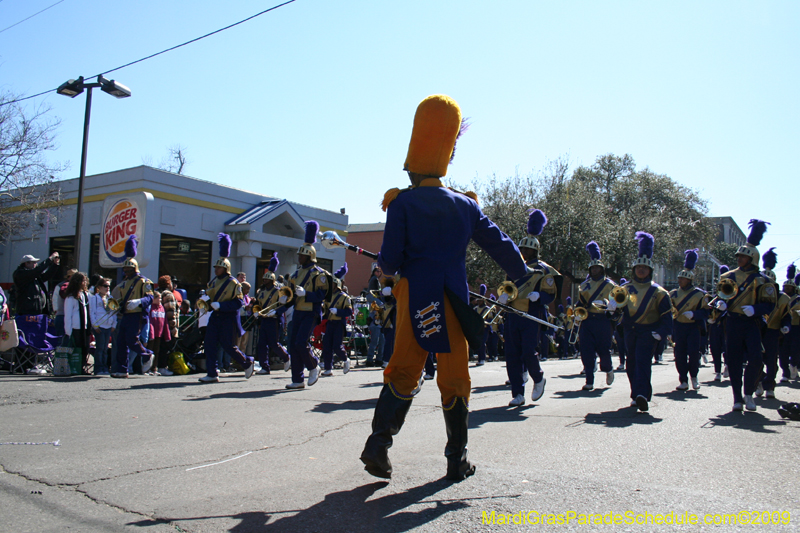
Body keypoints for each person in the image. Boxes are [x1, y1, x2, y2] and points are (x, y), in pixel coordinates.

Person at [360, 94, 527, 481]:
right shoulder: (465, 205)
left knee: (402, 369)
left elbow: (391, 259)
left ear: (412, 162)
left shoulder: (402, 204)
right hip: (453, 302)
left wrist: (386, 267)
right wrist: (522, 274)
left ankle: (378, 445)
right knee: (454, 377)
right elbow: (500, 243)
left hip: (416, 298)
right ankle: (456, 460)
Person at [714, 220, 776, 411]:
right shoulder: (728, 276)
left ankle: (749, 393)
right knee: (733, 360)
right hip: (732, 322)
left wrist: (756, 310)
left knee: (756, 359)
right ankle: (737, 398)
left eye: (743, 256)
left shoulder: (762, 279)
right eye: (739, 256)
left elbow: (770, 304)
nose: (739, 258)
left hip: (752, 324)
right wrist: (720, 304)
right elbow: (720, 296)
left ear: (752, 259)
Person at [501, 208, 560, 407]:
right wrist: (503, 297)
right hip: (512, 314)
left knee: (527, 350)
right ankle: (518, 393)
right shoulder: (513, 267)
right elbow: (509, 287)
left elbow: (551, 293)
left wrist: (539, 296)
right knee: (511, 354)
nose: (524, 253)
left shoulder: (543, 269)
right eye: (522, 250)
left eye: (527, 250)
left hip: (530, 314)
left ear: (534, 251)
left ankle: (538, 377)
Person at [619, 232, 673, 413]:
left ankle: (642, 395)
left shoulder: (660, 292)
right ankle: (636, 393)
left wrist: (661, 332)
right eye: (638, 267)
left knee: (643, 362)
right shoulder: (624, 289)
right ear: (634, 269)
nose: (641, 270)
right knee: (631, 363)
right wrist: (612, 308)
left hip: (648, 332)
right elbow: (617, 314)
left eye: (644, 267)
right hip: (629, 331)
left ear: (650, 270)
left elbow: (667, 317)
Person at [198, 233, 255, 383]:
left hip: (228, 318)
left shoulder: (234, 283)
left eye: (219, 267)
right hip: (215, 317)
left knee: (228, 346)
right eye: (216, 267)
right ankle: (212, 373)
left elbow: (239, 303)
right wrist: (206, 303)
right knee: (209, 345)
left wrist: (221, 305)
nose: (216, 270)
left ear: (226, 268)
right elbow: (210, 297)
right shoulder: (213, 281)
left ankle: (247, 363)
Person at [285, 221, 330, 389]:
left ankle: (313, 366)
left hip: (311, 311)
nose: (299, 258)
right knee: (293, 345)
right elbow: (290, 294)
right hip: (297, 311)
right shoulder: (296, 274)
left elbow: (323, 294)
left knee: (300, 342)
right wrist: (284, 301)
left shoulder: (319, 274)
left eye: (302, 256)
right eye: (299, 255)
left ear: (310, 256)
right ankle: (297, 379)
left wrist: (307, 294)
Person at [576, 241, 618, 391]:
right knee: (586, 350)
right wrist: (577, 313)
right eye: (592, 268)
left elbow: (616, 302)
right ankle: (589, 380)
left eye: (597, 268)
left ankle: (608, 369)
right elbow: (580, 302)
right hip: (588, 320)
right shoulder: (584, 285)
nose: (594, 270)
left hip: (602, 320)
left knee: (603, 350)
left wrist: (610, 305)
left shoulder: (610, 285)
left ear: (602, 269)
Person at [109, 236, 154, 378]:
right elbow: (120, 298)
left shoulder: (143, 281)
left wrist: (138, 301)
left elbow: (150, 297)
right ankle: (122, 370)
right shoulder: (124, 283)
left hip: (138, 313)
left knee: (131, 339)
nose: (126, 272)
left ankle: (146, 354)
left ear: (135, 269)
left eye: (129, 269)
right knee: (121, 341)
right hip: (126, 314)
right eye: (125, 269)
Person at [669, 249, 709, 391]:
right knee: (679, 354)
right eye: (679, 278)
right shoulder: (672, 294)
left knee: (693, 353)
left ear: (689, 280)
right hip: (678, 327)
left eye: (683, 279)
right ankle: (683, 380)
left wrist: (694, 314)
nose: (680, 281)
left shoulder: (699, 294)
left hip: (693, 327)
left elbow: (706, 311)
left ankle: (694, 376)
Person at [758, 252, 789, 399]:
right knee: (755, 360)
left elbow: (786, 315)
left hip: (772, 332)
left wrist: (786, 325)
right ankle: (758, 381)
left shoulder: (783, 298)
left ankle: (769, 385)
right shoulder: (755, 295)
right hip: (757, 331)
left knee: (771, 361)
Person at [254, 253, 291, 374]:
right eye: (264, 279)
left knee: (274, 344)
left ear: (272, 280)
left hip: (274, 319)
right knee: (261, 344)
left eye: (267, 279)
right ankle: (264, 366)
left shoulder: (278, 291)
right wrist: (256, 311)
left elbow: (285, 306)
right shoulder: (261, 291)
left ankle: (286, 357)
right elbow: (258, 303)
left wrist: (276, 311)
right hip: (264, 319)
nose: (264, 281)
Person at [321, 264, 353, 376]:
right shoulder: (327, 296)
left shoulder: (344, 297)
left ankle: (345, 359)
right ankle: (328, 368)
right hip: (330, 323)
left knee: (337, 346)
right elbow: (324, 311)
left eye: (333, 284)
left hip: (339, 323)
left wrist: (338, 312)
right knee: (326, 345)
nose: (331, 286)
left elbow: (349, 312)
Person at [13, 252, 60, 316]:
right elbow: (38, 270)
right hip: (26, 312)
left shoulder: (34, 275)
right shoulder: (20, 274)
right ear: (27, 263)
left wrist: (55, 264)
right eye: (34, 262)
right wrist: (50, 258)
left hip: (38, 311)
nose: (36, 264)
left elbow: (47, 276)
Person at [63, 271, 91, 374]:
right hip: (75, 327)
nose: (84, 282)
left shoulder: (85, 295)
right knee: (76, 349)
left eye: (85, 280)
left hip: (85, 327)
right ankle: (74, 368)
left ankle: (82, 367)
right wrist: (68, 331)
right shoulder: (71, 297)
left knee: (85, 348)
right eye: (82, 280)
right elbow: (68, 315)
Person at [89, 277, 116, 375]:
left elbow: (114, 312)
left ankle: (105, 368)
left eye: (109, 286)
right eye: (105, 286)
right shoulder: (94, 298)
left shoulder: (110, 298)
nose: (107, 288)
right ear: (99, 287)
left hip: (108, 326)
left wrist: (114, 324)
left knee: (105, 349)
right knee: (100, 348)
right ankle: (98, 368)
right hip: (100, 326)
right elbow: (92, 312)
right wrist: (95, 326)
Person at [707, 266, 729, 381]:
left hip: (727, 326)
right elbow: (708, 310)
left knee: (727, 347)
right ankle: (717, 371)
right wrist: (709, 317)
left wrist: (727, 307)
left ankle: (727, 365)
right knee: (715, 348)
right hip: (715, 326)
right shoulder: (714, 299)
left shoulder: (732, 298)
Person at [778, 268, 800, 383]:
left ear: (793, 288)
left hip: (796, 327)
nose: (787, 289)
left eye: (789, 287)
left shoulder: (798, 299)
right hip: (783, 327)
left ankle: (794, 364)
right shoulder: (781, 298)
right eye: (785, 287)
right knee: (783, 351)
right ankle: (785, 373)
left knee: (795, 349)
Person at [365, 266, 385, 367]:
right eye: (377, 271)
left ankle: (378, 359)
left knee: (380, 339)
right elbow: (372, 297)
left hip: (378, 319)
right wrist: (381, 304)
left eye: (380, 272)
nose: (379, 273)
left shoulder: (374, 280)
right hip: (376, 320)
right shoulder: (374, 280)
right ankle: (370, 359)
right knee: (376, 340)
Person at [148, 292, 171, 376]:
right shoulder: (150, 307)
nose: (160, 300)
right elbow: (149, 321)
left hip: (159, 334)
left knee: (157, 351)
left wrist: (167, 335)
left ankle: (154, 368)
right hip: (151, 334)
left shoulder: (162, 308)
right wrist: (151, 333)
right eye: (159, 298)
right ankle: (147, 368)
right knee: (150, 351)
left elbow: (165, 322)